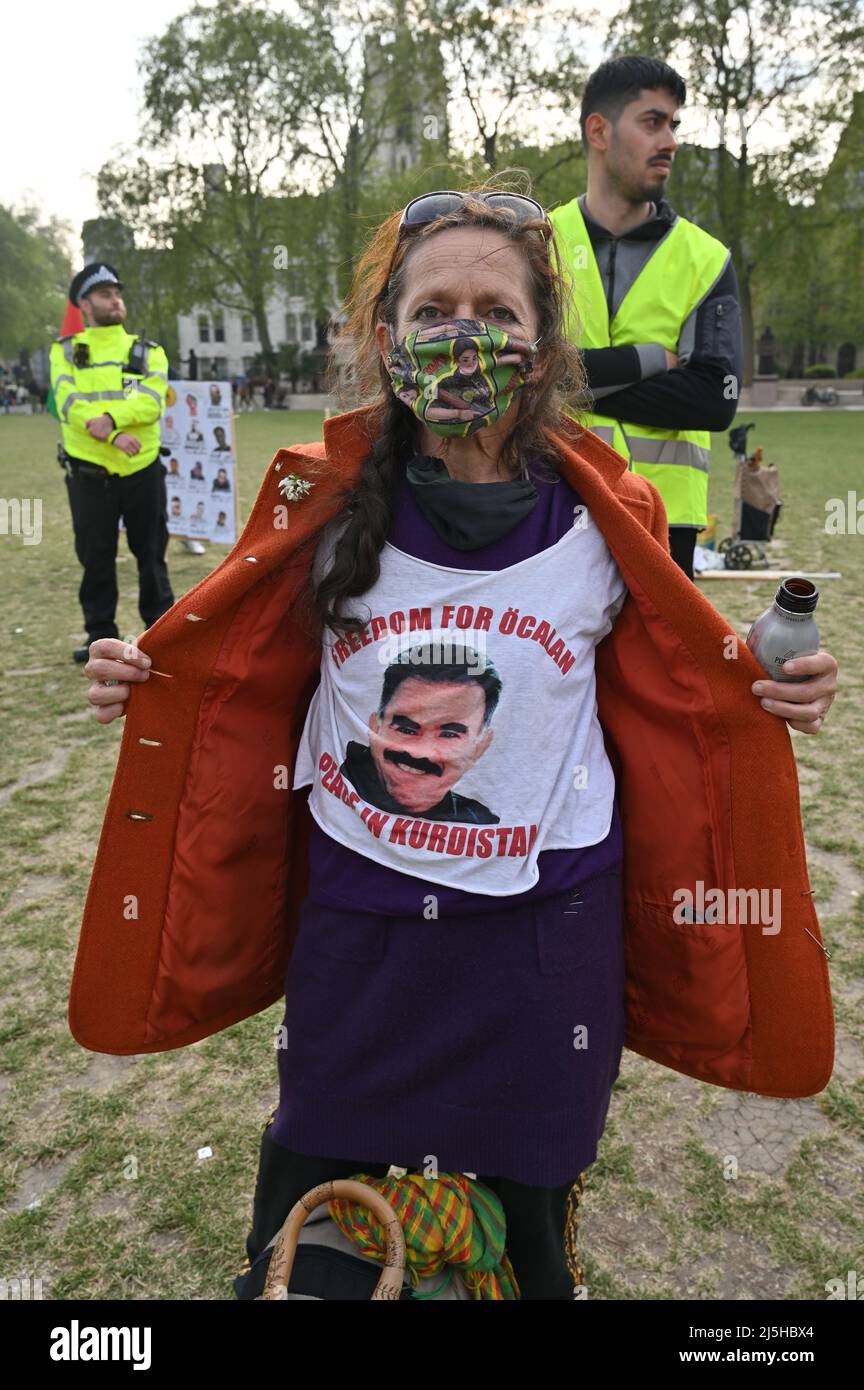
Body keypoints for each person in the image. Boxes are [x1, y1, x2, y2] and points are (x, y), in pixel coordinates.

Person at [76, 189, 838, 1301]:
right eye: (433, 309)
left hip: (543, 948)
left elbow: (691, 681)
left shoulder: (603, 515)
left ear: (540, 346)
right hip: (361, 937)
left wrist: (778, 691)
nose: (463, 332)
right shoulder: (321, 506)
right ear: (386, 340)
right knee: (304, 1251)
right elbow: (225, 667)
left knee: (522, 1255)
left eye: (494, 307)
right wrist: (141, 678)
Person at [549, 55, 743, 580]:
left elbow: (713, 400)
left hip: (665, 519)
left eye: (674, 125)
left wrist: (562, 381)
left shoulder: (706, 258)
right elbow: (513, 372)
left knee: (655, 666)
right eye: (652, 122)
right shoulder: (534, 244)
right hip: (548, 499)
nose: (671, 141)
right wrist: (649, 361)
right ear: (599, 131)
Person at [49, 262, 175, 663]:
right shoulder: (64, 351)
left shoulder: (149, 351)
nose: (115, 300)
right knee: (95, 557)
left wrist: (113, 421)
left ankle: (161, 632)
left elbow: (153, 399)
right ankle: (99, 636)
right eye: (104, 294)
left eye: (117, 293)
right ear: (85, 304)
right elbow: (68, 403)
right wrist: (113, 432)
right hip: (90, 473)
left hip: (142, 470)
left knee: (151, 554)